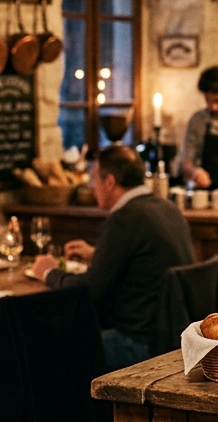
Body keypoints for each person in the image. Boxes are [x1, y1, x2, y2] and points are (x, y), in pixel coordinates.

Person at [32, 143, 194, 370]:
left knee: (41, 344)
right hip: (172, 336)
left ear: (109, 182)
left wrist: (48, 272)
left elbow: (87, 291)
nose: (91, 186)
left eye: (93, 179)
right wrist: (97, 254)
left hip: (139, 344)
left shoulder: (125, 217)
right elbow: (142, 262)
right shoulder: (166, 208)